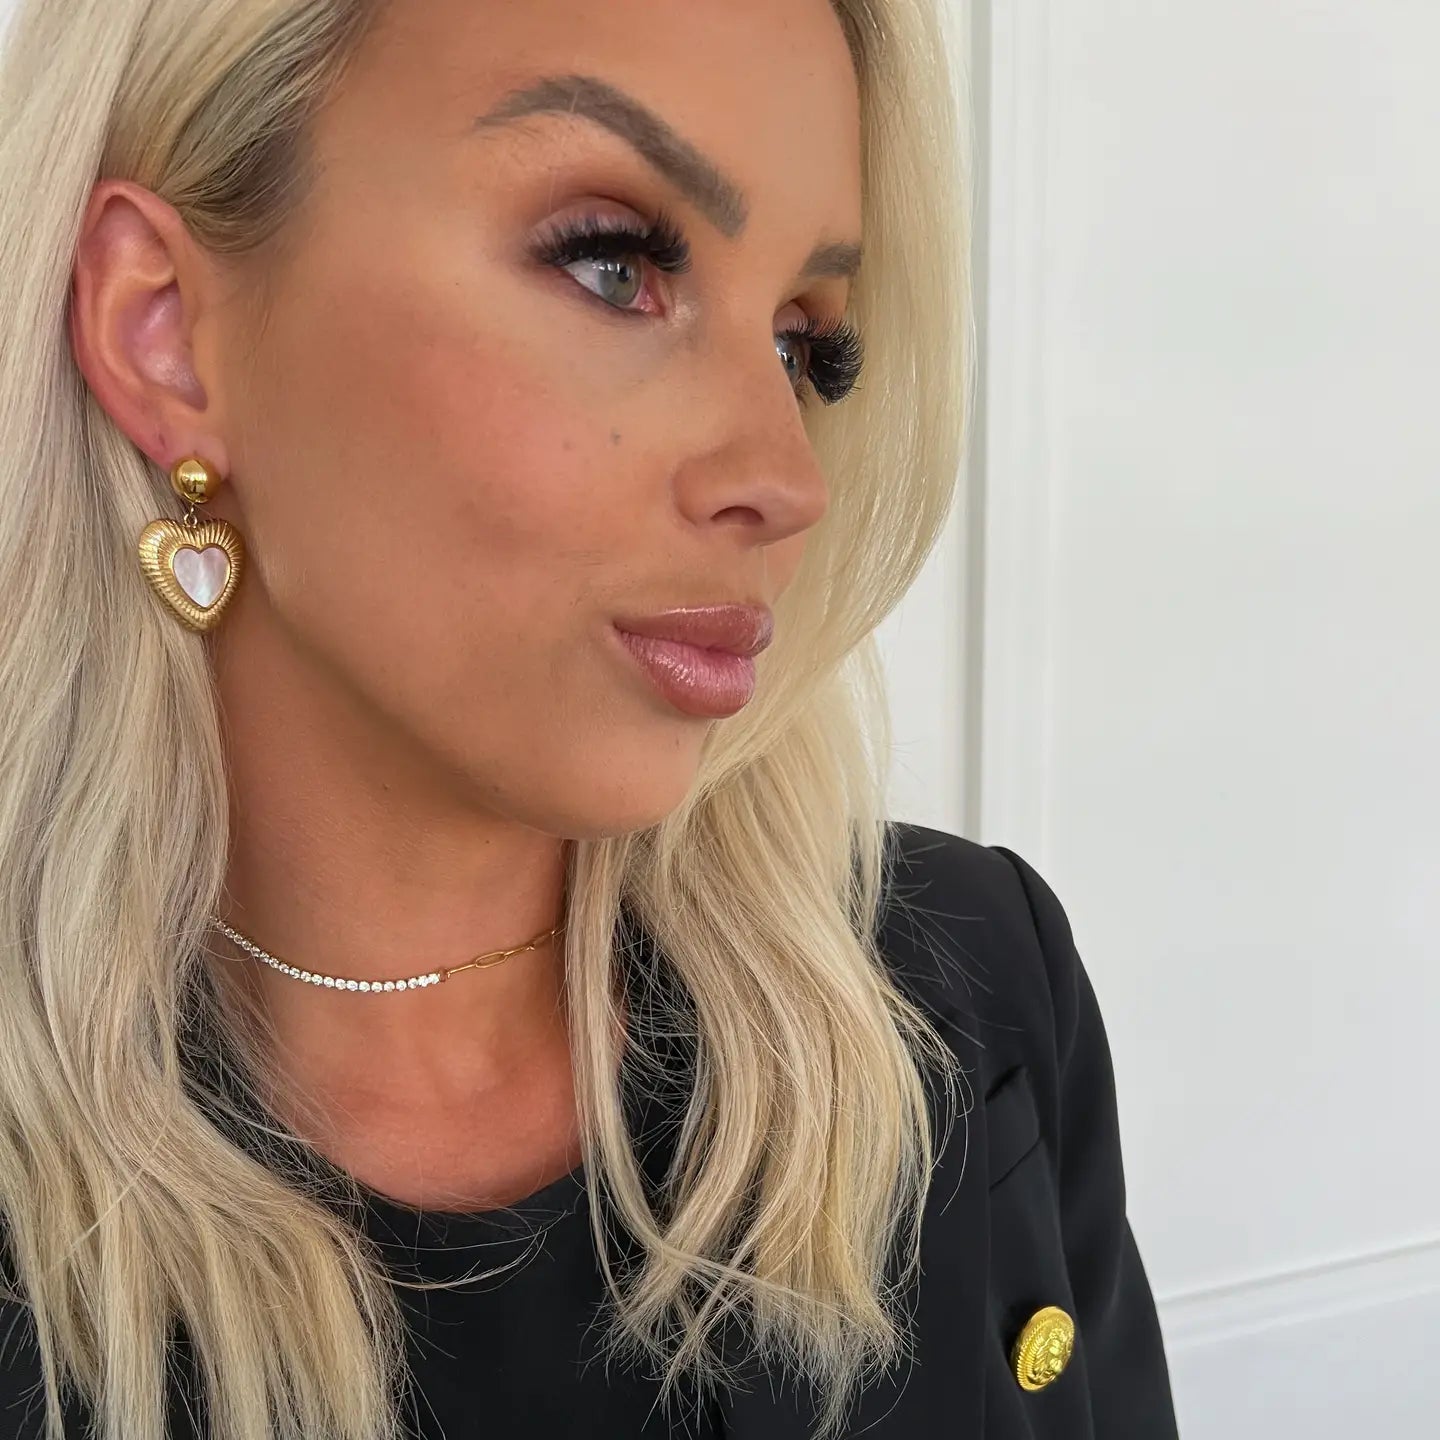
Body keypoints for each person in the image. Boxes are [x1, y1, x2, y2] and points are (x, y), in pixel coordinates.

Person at [0, 0, 1178, 1436]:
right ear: (163, 332)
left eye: (808, 344)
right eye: (614, 264)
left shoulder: (961, 989)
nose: (785, 477)